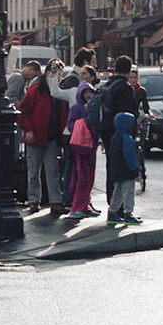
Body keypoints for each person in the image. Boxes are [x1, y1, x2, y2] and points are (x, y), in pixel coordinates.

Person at [17, 60, 57, 211]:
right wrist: (29, 130)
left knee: (51, 170)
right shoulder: (37, 89)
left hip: (49, 134)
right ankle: (34, 200)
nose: (55, 75)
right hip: (36, 134)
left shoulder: (54, 90)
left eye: (57, 72)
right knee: (34, 170)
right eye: (53, 71)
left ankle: (54, 201)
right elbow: (23, 111)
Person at [65, 66, 100, 218]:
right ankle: (77, 206)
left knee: (89, 177)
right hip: (80, 148)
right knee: (81, 177)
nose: (88, 95)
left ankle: (84, 205)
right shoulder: (77, 108)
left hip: (90, 147)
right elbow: (70, 125)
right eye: (85, 93)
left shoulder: (92, 108)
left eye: (90, 93)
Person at [105, 110, 144, 226]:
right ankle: (128, 213)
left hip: (117, 170)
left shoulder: (115, 137)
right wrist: (135, 170)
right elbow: (130, 157)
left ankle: (112, 212)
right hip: (127, 171)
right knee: (128, 192)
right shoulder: (127, 138)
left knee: (117, 192)